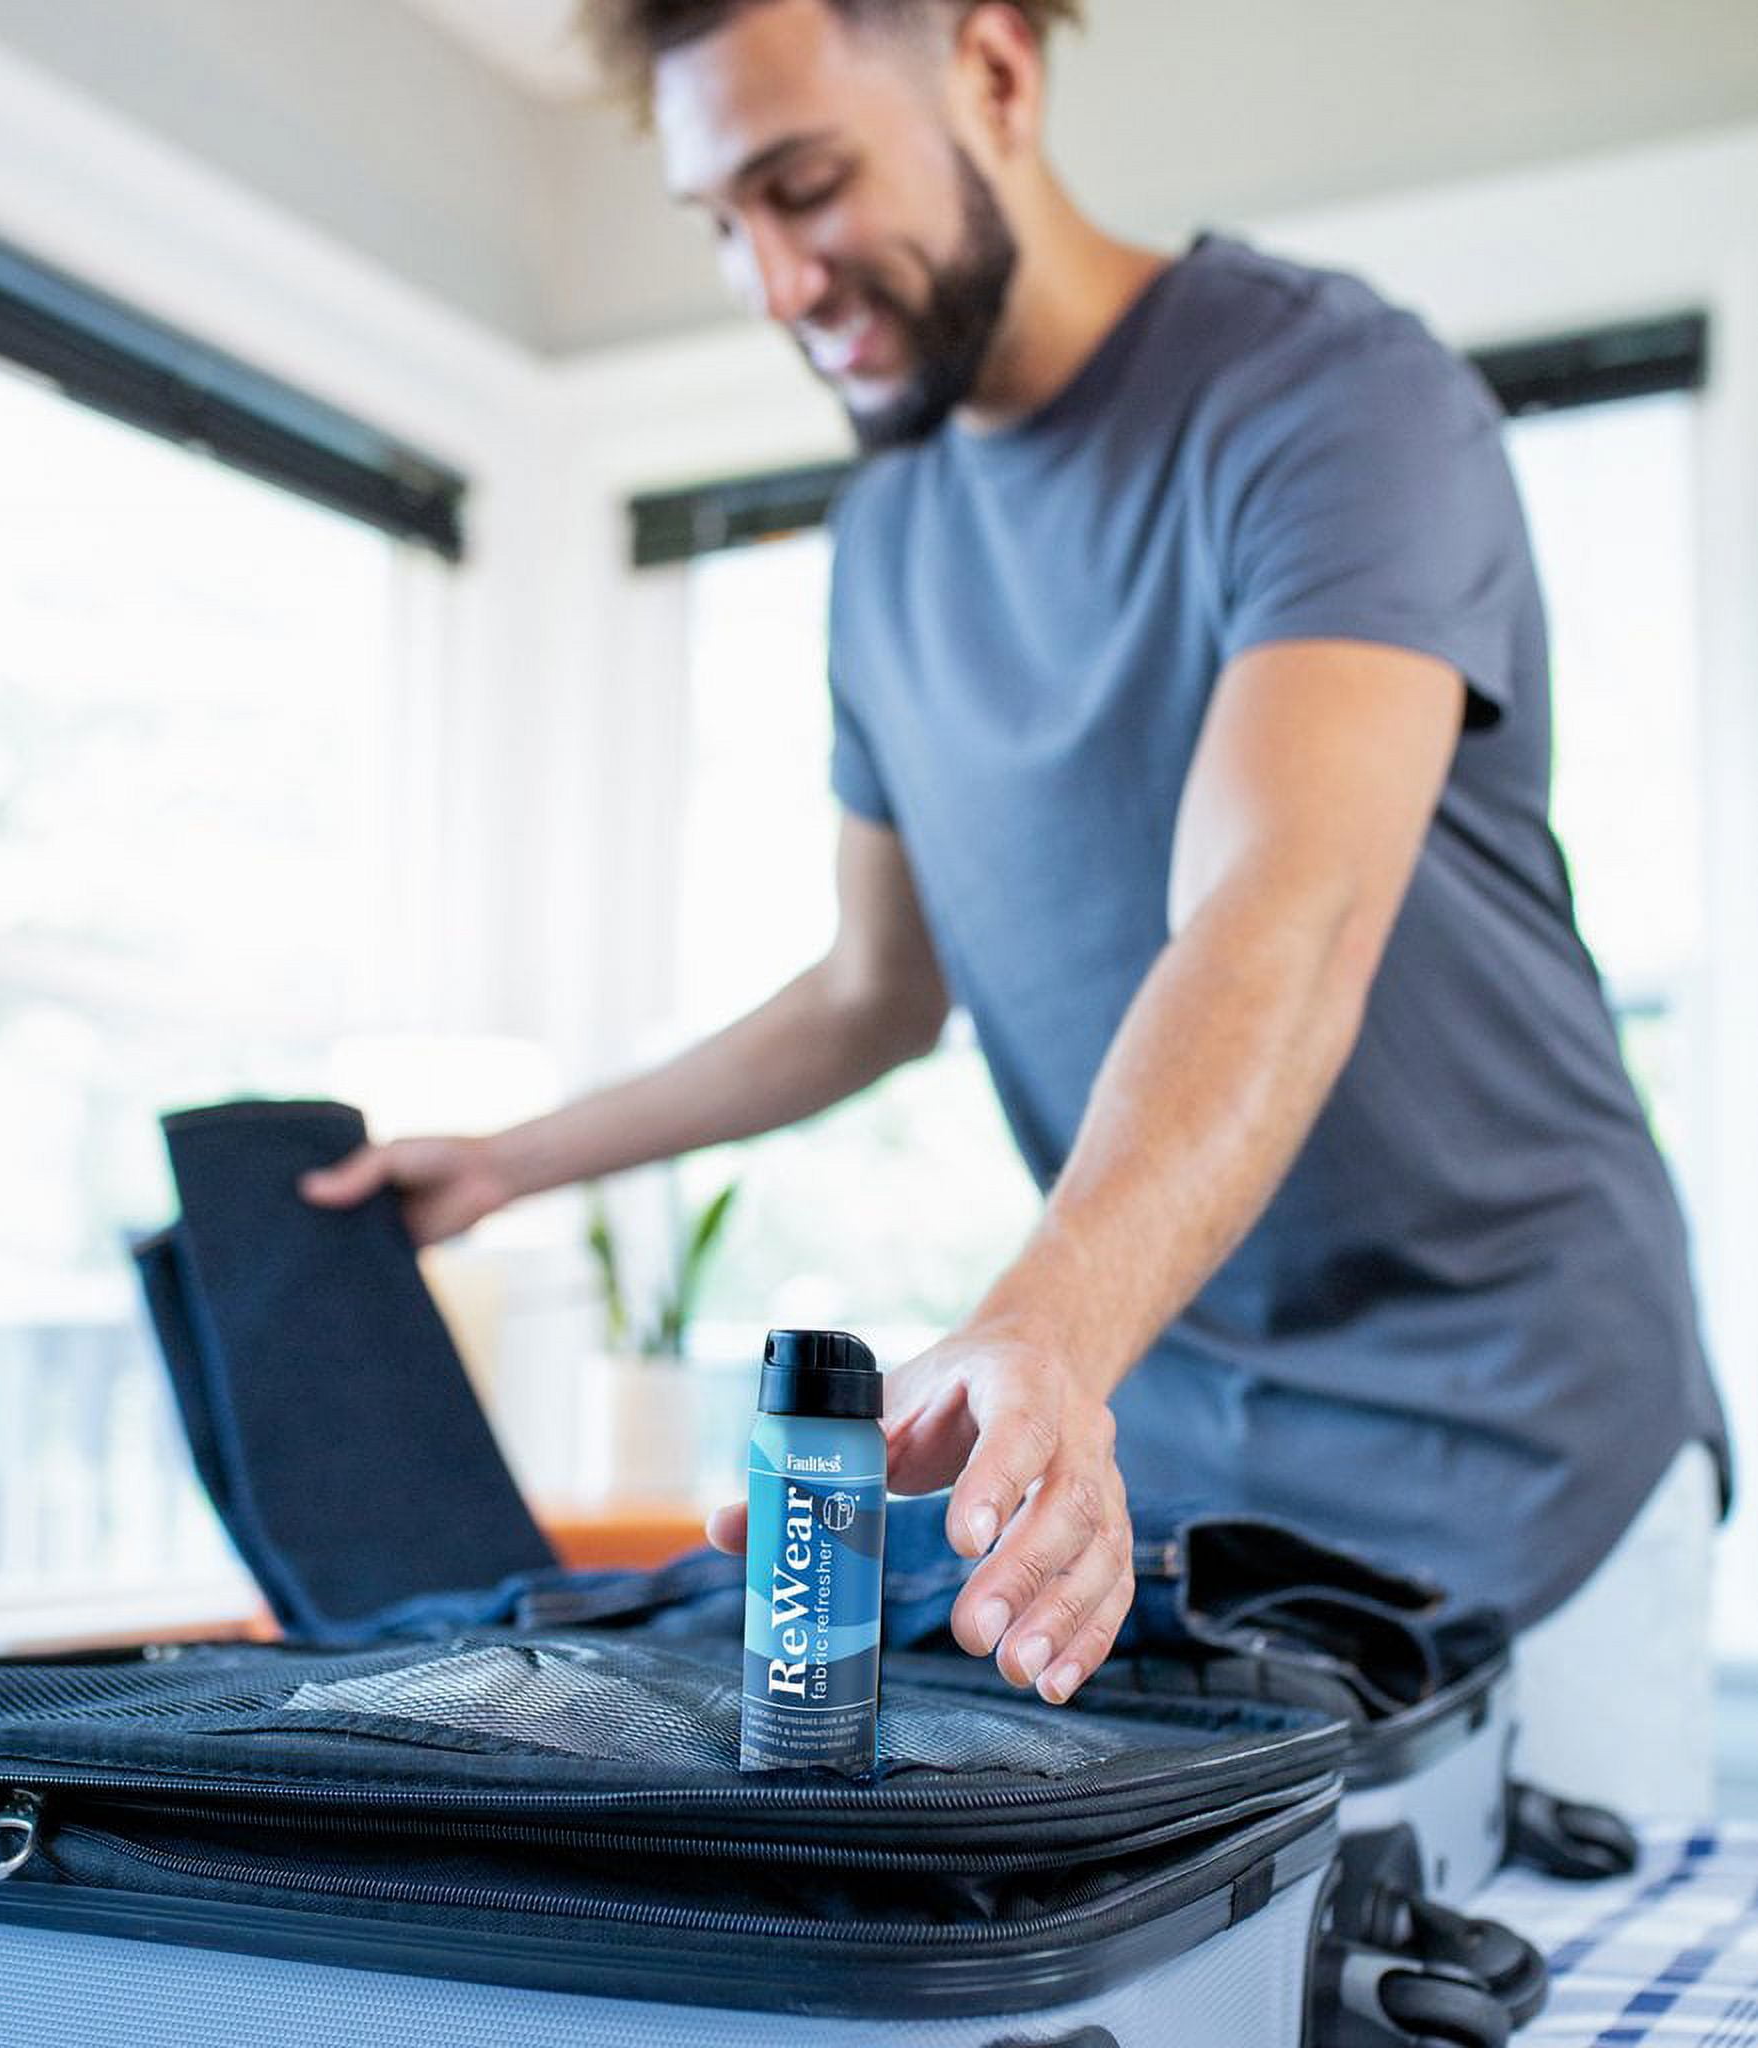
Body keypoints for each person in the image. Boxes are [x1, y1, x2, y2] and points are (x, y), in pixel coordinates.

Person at [305, 0, 1729, 1805]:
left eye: (802, 186)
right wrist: (511, 1163)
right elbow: (872, 991)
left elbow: (1277, 912)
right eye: (720, 222)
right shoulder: (888, 545)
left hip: (1521, 1429)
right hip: (1196, 1460)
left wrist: (1045, 1324)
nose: (771, 282)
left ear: (992, 70)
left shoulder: (1331, 397)